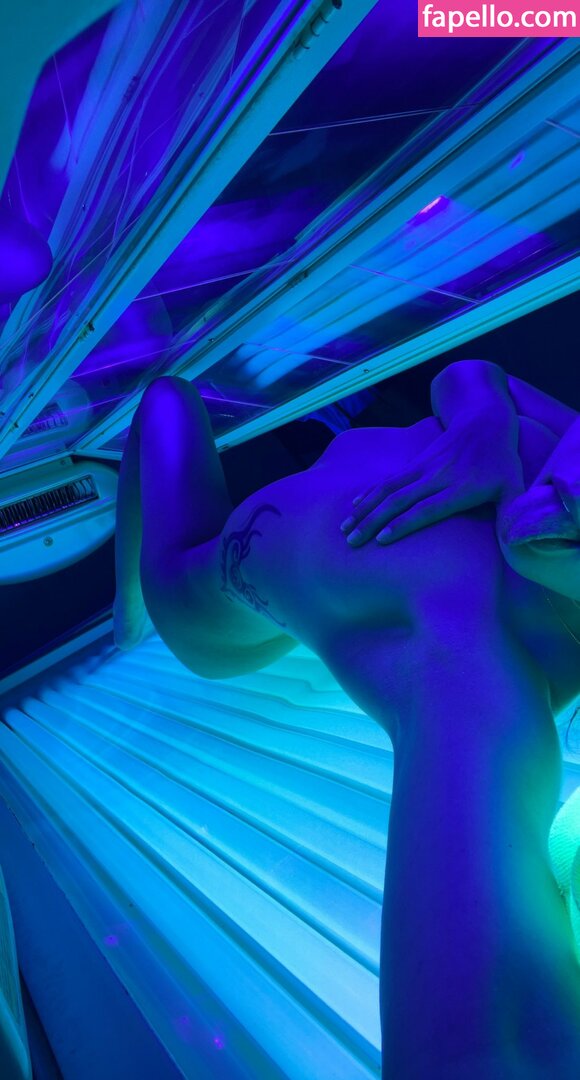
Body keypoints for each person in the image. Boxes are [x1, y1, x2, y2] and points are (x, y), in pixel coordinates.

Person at [114, 358, 580, 1078]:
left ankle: (127, 612)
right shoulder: (559, 461)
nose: (557, 500)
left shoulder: (476, 661)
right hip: (321, 525)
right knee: (167, 405)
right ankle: (127, 609)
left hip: (260, 555)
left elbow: (493, 1048)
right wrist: (484, 418)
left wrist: (490, 424)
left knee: (169, 418)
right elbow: (469, 372)